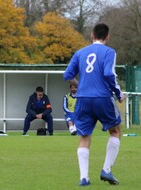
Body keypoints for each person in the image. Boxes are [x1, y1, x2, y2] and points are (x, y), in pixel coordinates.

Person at [63, 23, 124, 186]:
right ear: (107, 36)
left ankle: (84, 177)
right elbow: (109, 74)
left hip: (82, 98)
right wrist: (119, 94)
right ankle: (106, 170)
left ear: (92, 35)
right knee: (116, 130)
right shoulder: (109, 52)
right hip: (102, 97)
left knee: (84, 136)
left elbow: (67, 74)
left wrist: (81, 84)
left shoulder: (80, 52)